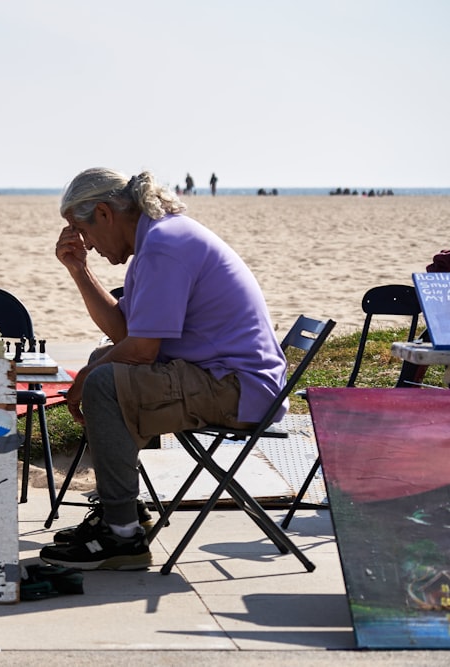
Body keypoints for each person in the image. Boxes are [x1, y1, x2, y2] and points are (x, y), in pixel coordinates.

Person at [40, 168, 287, 571]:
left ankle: (121, 536)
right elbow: (125, 333)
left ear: (104, 214)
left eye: (81, 229)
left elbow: (140, 350)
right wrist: (79, 270)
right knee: (102, 371)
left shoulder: (163, 246)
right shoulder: (156, 240)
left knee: (104, 382)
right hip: (230, 380)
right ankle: (121, 514)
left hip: (238, 387)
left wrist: (88, 378)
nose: (83, 241)